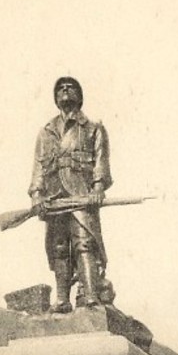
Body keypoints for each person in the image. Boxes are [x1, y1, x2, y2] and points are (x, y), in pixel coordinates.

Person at [29, 77, 113, 312]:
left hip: (80, 194)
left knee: (84, 244)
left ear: (80, 95)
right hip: (54, 197)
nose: (65, 91)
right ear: (55, 98)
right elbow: (38, 166)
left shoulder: (93, 128)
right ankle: (63, 300)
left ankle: (90, 297)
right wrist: (36, 193)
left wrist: (97, 187)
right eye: (60, 89)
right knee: (58, 248)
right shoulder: (46, 132)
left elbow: (100, 160)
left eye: (71, 87)